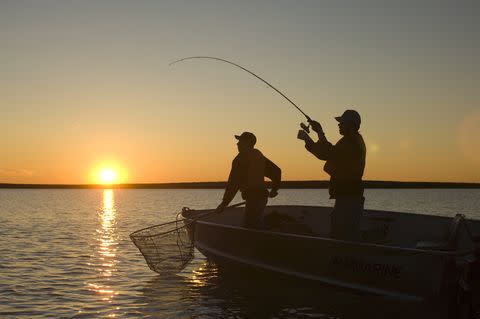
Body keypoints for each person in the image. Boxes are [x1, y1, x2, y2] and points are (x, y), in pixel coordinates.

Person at [297, 110, 366, 240]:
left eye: (341, 123)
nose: (339, 125)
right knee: (344, 234)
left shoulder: (350, 144)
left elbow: (327, 153)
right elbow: (329, 152)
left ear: (351, 125)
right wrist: (318, 132)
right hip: (348, 196)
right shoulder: (351, 141)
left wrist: (310, 138)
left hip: (348, 198)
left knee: (342, 237)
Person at [215, 132, 281, 229]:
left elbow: (233, 184)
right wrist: (274, 189)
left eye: (240, 141)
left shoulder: (240, 159)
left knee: (249, 228)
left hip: (253, 198)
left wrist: (224, 204)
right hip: (262, 198)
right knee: (256, 225)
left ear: (246, 143)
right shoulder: (258, 156)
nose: (237, 144)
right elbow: (277, 171)